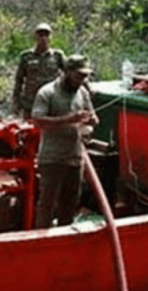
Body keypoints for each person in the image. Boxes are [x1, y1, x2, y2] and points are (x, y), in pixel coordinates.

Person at [30, 54, 99, 228]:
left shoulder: (82, 92)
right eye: (78, 76)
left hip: (74, 158)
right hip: (52, 158)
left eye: (85, 76)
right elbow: (38, 121)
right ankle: (42, 241)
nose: (82, 80)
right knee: (47, 204)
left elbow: (94, 117)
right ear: (67, 72)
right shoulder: (47, 92)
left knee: (70, 204)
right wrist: (69, 119)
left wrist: (91, 120)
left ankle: (65, 237)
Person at [12, 22, 65, 119]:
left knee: (51, 127)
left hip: (51, 101)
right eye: (40, 35)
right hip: (31, 101)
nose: (43, 38)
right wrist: (16, 101)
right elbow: (19, 80)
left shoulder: (57, 56)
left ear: (50, 37)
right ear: (35, 37)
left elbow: (69, 73)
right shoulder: (26, 56)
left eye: (46, 35)